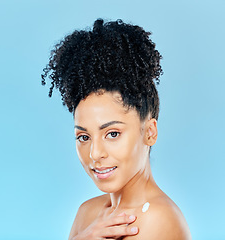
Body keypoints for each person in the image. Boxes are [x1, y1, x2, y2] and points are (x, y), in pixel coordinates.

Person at [41, 18, 191, 240]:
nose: (95, 153)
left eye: (112, 134)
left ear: (150, 132)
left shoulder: (159, 219)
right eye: (83, 136)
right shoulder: (87, 213)